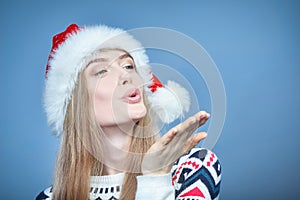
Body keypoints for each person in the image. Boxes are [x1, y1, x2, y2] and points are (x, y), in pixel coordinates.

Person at [36, 24, 221, 200]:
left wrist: (155, 178)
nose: (126, 75)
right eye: (101, 71)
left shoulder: (194, 167)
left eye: (128, 66)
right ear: (75, 104)